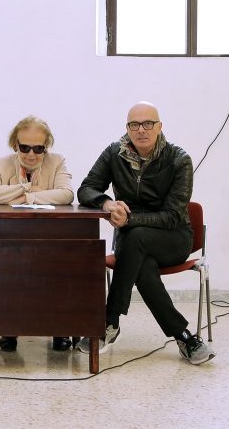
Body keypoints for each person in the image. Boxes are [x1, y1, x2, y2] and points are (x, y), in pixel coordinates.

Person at [76, 102, 215, 365]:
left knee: (136, 237)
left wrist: (129, 219)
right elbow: (86, 189)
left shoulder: (179, 159)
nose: (141, 130)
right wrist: (107, 204)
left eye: (148, 123)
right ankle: (185, 337)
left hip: (173, 238)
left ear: (160, 126)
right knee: (142, 264)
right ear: (127, 128)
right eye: (135, 124)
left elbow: (172, 216)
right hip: (132, 243)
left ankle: (109, 321)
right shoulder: (114, 153)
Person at [0, 115, 75, 352]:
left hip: (50, 238)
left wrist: (27, 198)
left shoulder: (57, 161)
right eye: (25, 148)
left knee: (61, 270)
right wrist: (25, 187)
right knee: (8, 269)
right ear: (15, 145)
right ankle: (10, 329)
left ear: (46, 147)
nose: (31, 154)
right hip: (11, 238)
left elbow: (66, 195)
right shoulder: (1, 164)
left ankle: (60, 329)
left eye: (38, 148)